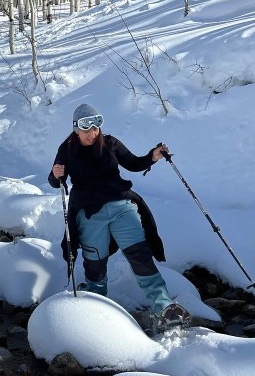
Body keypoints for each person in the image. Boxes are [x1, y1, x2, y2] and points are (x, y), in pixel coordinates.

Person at [48, 103, 190, 331]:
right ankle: (95, 300)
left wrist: (152, 156)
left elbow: (133, 163)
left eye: (96, 127)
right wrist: (55, 175)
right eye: (86, 128)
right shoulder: (66, 149)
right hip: (89, 212)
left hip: (121, 206)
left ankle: (163, 307)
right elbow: (56, 180)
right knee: (95, 263)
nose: (92, 133)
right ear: (76, 128)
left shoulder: (110, 143)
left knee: (140, 255)